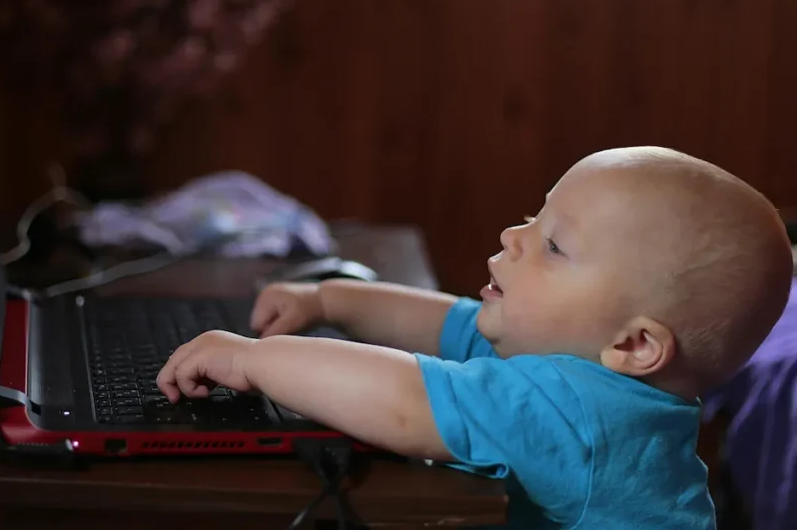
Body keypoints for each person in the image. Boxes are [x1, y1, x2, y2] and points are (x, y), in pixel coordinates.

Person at [156, 146, 794, 529]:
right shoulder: (576, 357)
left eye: (553, 245)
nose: (514, 237)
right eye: (534, 216)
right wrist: (327, 300)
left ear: (635, 346)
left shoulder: (581, 412)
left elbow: (405, 402)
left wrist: (255, 360)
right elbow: (445, 323)